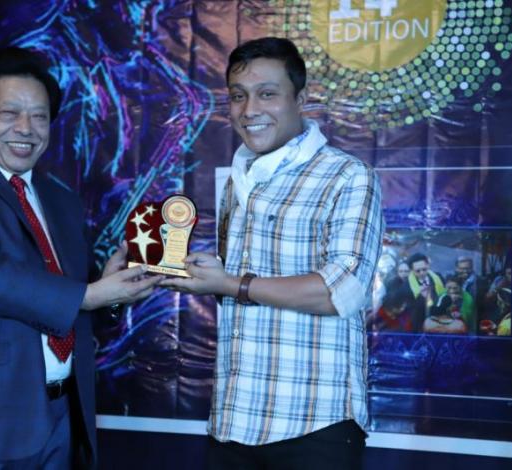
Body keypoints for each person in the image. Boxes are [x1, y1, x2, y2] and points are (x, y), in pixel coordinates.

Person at [0, 47, 161, 469]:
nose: (26, 128)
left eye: (40, 117)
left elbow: (71, 303)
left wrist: (113, 290)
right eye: (10, 113)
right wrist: (88, 295)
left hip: (59, 421)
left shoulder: (61, 200)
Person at [162, 37, 384, 469]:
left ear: (300, 99)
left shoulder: (348, 176)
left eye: (267, 94)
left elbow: (340, 292)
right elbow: (244, 281)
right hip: (234, 418)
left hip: (313, 423)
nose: (249, 110)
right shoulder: (239, 179)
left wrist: (231, 283)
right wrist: (197, 274)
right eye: (238, 96)